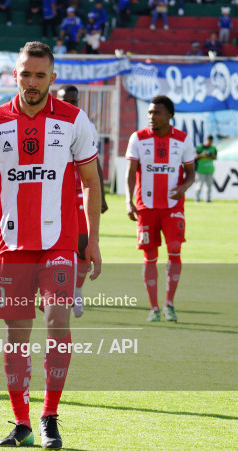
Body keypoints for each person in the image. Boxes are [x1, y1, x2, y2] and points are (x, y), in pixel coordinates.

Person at [0, 41, 101, 450]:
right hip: (12, 244)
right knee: (16, 338)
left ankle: (50, 415)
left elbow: (90, 182)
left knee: (58, 322)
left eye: (40, 75)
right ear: (14, 75)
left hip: (59, 243)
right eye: (25, 74)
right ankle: (22, 422)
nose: (32, 82)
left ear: (53, 78)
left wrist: (93, 242)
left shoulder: (73, 119)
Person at [125, 95, 195, 322]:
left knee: (175, 248)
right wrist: (129, 201)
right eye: (149, 113)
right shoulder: (138, 138)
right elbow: (129, 174)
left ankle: (169, 303)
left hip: (172, 206)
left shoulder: (183, 140)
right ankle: (153, 308)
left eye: (157, 113)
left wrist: (183, 186)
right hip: (146, 207)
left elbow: (191, 173)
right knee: (150, 256)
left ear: (169, 116)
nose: (151, 117)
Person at [56, 85, 108, 318]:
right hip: (54, 193)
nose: (69, 103)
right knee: (53, 246)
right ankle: (56, 290)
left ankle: (76, 290)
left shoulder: (85, 124)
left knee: (84, 246)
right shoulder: (47, 122)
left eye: (73, 100)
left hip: (80, 191)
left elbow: (93, 160)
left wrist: (102, 195)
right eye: (64, 100)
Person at [194, 135, 217, 202]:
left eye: (211, 141)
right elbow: (195, 156)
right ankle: (197, 199)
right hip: (200, 170)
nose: (210, 142)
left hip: (210, 170)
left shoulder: (213, 148)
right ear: (206, 140)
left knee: (209, 186)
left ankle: (208, 199)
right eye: (209, 141)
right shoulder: (200, 147)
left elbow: (215, 157)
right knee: (199, 185)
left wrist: (209, 155)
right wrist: (202, 155)